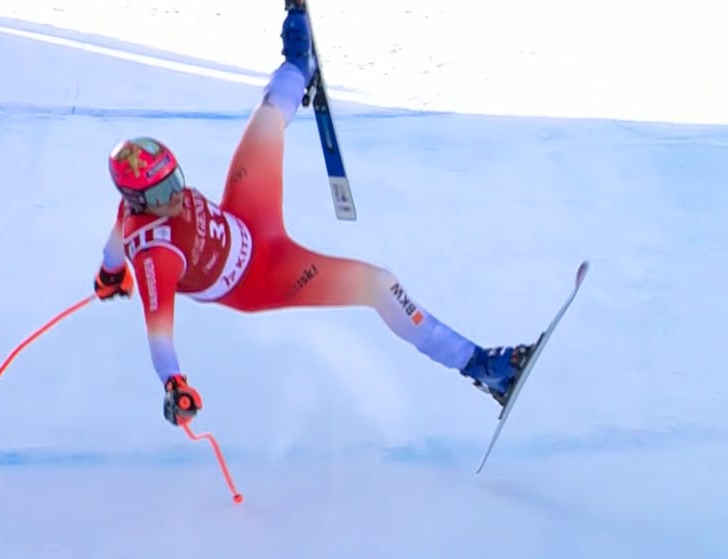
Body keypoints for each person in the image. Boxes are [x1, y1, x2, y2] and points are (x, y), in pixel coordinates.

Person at [94, 2, 533, 427]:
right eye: (162, 192)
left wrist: (111, 275)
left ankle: (296, 63)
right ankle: (482, 366)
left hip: (246, 217)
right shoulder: (156, 256)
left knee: (269, 116)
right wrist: (174, 384)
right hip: (263, 274)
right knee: (380, 285)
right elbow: (159, 332)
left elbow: (115, 243)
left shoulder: (136, 204)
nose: (175, 194)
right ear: (138, 199)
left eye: (175, 179)